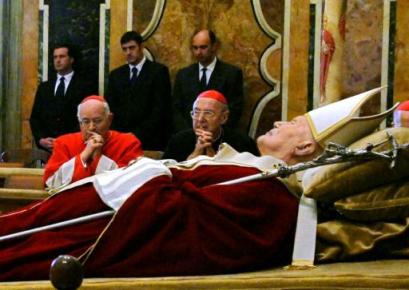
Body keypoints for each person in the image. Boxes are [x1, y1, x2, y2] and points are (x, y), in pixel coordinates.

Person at [0, 88, 394, 281]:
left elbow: (185, 225)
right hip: (104, 201)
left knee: (16, 244)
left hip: (105, 219)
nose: (277, 122)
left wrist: (155, 176)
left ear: (306, 147)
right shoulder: (254, 168)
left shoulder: (267, 184)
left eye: (290, 125)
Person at [44, 95, 143, 189]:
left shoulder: (128, 143)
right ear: (80, 123)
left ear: (109, 119)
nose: (91, 127)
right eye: (86, 122)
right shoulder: (64, 143)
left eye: (97, 121)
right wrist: (84, 155)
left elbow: (130, 184)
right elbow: (50, 183)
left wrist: (98, 157)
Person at [106, 31, 172, 151]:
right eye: (124, 49)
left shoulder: (158, 71)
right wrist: (120, 135)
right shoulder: (116, 75)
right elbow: (110, 107)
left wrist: (138, 134)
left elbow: (160, 108)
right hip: (121, 139)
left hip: (150, 139)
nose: (128, 53)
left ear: (141, 47)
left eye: (132, 48)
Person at [30, 44, 97, 152]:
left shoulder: (85, 86)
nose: (58, 60)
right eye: (55, 57)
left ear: (71, 59)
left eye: (62, 56)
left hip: (75, 146)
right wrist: (41, 139)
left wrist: (67, 140)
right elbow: (35, 117)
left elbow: (89, 117)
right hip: (48, 148)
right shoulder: (44, 87)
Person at [173, 29, 244, 132]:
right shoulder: (184, 74)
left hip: (219, 136)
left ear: (214, 47)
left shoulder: (231, 74)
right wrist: (189, 132)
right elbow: (176, 109)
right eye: (195, 48)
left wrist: (215, 132)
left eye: (203, 47)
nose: (198, 52)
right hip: (188, 135)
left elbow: (234, 109)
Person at [163, 90, 258, 161]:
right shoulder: (178, 141)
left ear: (224, 118)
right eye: (196, 112)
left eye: (208, 113)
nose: (200, 119)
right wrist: (197, 151)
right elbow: (165, 172)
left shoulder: (243, 143)